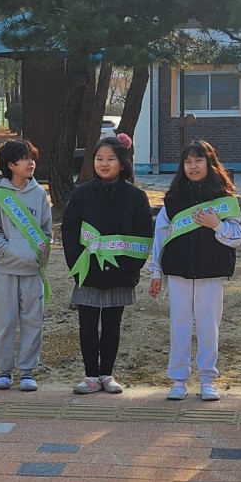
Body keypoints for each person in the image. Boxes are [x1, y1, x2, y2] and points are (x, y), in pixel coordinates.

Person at [148, 141, 241, 402]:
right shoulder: (173, 198)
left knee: (208, 326)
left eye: (198, 160)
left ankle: (207, 379)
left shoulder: (225, 199)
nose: (193, 166)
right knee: (178, 325)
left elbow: (237, 236)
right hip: (178, 271)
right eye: (188, 161)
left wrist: (216, 225)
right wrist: (155, 271)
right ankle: (178, 380)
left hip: (211, 272)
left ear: (209, 163)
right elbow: (160, 236)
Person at [62, 136, 152, 395]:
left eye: (111, 159)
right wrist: (77, 263)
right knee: (87, 324)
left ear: (122, 163)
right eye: (99, 158)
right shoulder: (81, 193)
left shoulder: (136, 196)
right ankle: (90, 375)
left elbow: (144, 234)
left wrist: (131, 267)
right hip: (88, 270)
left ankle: (107, 374)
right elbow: (70, 230)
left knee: (113, 324)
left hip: (121, 273)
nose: (104, 163)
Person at [0, 140, 51, 392]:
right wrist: (10, 252)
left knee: (33, 320)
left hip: (32, 271)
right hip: (6, 270)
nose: (30, 162)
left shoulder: (40, 194)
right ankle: (4, 371)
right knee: (7, 321)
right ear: (10, 164)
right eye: (23, 158)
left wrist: (33, 255)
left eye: (32, 156)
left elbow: (46, 232)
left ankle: (28, 370)